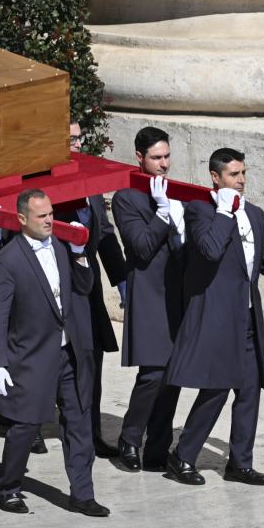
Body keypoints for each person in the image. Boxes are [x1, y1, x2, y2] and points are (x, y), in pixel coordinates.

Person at [165, 148, 264, 487]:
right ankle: (182, 455)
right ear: (215, 177)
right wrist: (224, 212)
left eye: (242, 174)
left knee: (249, 391)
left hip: (248, 316)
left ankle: (240, 463)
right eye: (232, 175)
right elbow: (209, 251)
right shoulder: (200, 211)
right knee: (216, 390)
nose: (240, 181)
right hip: (217, 316)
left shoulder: (254, 213)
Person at [0, 188, 108, 517]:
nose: (49, 220)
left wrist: (81, 256)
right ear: (22, 219)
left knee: (79, 423)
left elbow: (82, 287)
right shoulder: (8, 260)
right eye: (42, 216)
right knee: (25, 427)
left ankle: (83, 493)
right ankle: (8, 487)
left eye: (51, 213)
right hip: (31, 357)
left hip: (68, 354)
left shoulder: (60, 246)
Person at [110, 126, 184, 472]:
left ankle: (158, 446)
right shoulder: (127, 197)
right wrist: (161, 213)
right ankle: (130, 436)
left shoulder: (174, 191)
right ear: (139, 157)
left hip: (177, 293)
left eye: (167, 156)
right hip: (149, 293)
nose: (163, 164)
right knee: (153, 373)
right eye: (156, 157)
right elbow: (139, 246)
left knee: (173, 374)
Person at [55, 121, 128, 459]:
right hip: (55, 288)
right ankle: (15, 421)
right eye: (68, 139)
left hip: (89, 287)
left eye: (78, 138)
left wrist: (122, 280)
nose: (75, 144)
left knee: (92, 359)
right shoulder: (44, 185)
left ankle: (91, 432)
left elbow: (106, 234)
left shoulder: (93, 184)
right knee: (52, 361)